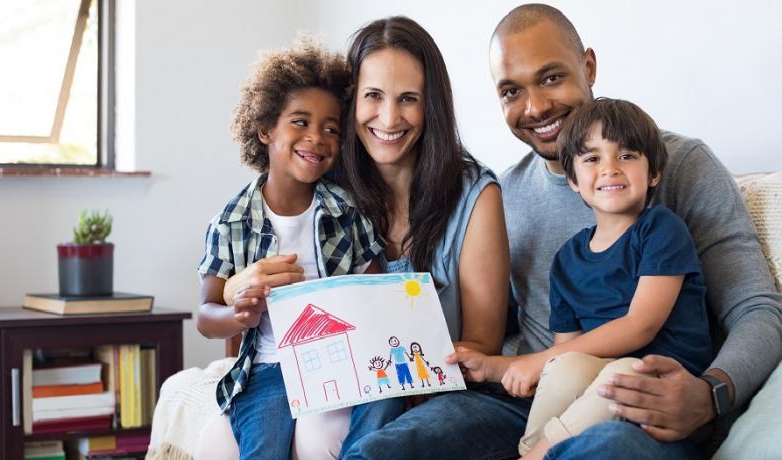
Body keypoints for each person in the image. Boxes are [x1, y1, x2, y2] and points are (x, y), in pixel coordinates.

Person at [352, 4, 782, 459]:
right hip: (530, 401)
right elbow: (508, 327)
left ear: (588, 66)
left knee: (604, 448)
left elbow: (757, 309)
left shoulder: (679, 165)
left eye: (552, 77)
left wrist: (710, 393)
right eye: (511, 91)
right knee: (386, 449)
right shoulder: (503, 194)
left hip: (639, 409)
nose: (535, 107)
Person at [228, 15, 511, 458]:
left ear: (431, 106)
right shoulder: (324, 185)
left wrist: (411, 376)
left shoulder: (476, 195)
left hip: (433, 387)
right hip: (333, 380)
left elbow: (482, 344)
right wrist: (236, 285)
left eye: (409, 99)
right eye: (373, 96)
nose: (389, 117)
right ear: (350, 102)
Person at [457, 98, 714, 459]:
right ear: (573, 180)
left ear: (654, 172)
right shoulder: (567, 259)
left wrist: (541, 359)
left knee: (621, 372)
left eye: (626, 156)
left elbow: (641, 326)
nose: (609, 169)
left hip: (661, 380)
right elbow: (566, 353)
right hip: (598, 384)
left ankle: (539, 454)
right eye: (593, 159)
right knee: (566, 367)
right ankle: (531, 450)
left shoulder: (660, 229)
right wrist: (497, 367)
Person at [193, 37, 385, 459]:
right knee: (264, 446)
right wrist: (239, 313)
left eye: (331, 128)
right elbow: (205, 316)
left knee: (376, 414)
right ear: (265, 129)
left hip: (339, 359)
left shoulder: (346, 211)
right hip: (268, 368)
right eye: (300, 122)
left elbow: (377, 292)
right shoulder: (230, 221)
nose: (317, 137)